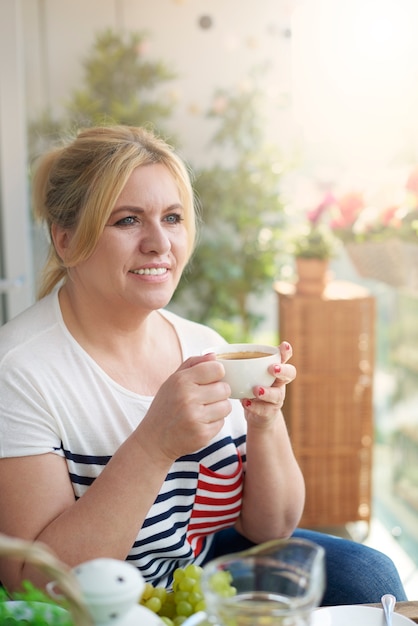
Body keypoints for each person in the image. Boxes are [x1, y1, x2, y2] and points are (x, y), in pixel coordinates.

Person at [0, 125, 407, 605]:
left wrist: (265, 420)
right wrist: (154, 444)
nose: (159, 243)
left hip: (194, 574)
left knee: (370, 575)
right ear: (65, 241)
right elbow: (38, 586)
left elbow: (271, 527)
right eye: (128, 220)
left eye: (172, 218)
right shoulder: (19, 372)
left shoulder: (202, 344)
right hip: (100, 606)